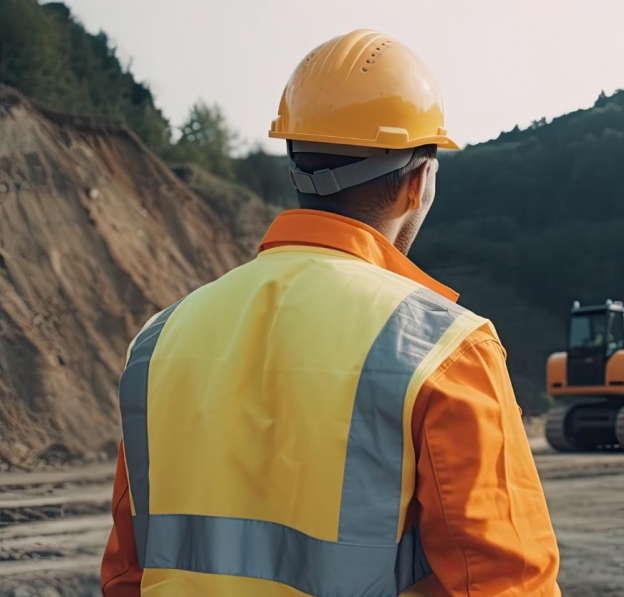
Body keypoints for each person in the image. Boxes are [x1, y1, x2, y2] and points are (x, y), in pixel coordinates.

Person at [101, 29, 562, 597]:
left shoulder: (157, 343)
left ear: (295, 166)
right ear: (419, 183)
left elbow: (127, 574)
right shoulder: (447, 351)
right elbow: (503, 584)